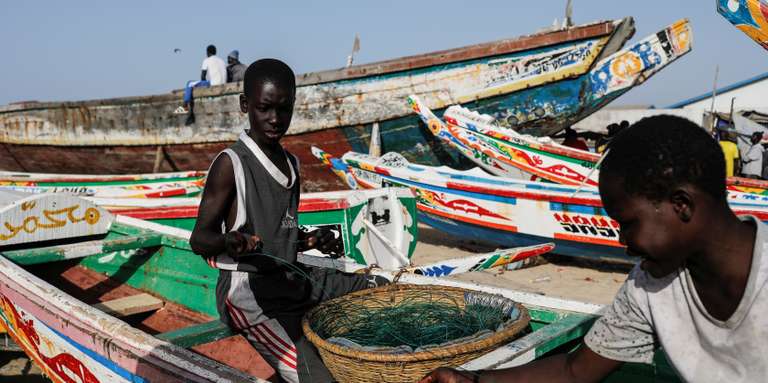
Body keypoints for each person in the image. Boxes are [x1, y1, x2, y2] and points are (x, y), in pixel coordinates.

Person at [419, 115, 768, 383]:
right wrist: (475, 380)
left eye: (628, 223)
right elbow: (575, 371)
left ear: (681, 205)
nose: (623, 242)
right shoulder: (649, 284)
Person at [189, 58, 387, 383]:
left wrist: (310, 240)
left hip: (288, 276)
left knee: (376, 290)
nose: (274, 119)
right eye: (264, 108)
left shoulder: (292, 163)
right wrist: (229, 241)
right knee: (318, 376)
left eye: (284, 109)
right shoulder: (231, 164)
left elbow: (283, 233)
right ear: (245, 105)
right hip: (248, 289)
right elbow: (199, 239)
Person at [175, 44, 227, 125]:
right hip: (224, 84)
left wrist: (203, 87)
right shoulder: (222, 61)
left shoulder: (207, 60)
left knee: (190, 83)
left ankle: (184, 106)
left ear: (208, 52)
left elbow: (203, 76)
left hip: (213, 83)